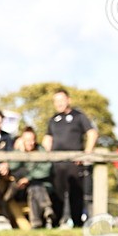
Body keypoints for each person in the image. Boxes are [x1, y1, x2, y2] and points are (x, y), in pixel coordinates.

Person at [42, 87, 97, 227]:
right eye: (56, 101)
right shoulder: (53, 119)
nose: (59, 103)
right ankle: (55, 224)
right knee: (57, 194)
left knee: (76, 194)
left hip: (75, 162)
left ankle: (78, 224)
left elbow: (92, 133)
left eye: (61, 100)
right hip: (57, 163)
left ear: (68, 100)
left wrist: (86, 154)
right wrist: (46, 152)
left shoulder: (79, 116)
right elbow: (48, 138)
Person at [7, 127, 56, 229]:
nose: (31, 143)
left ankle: (36, 223)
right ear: (22, 140)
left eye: (32, 140)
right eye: (27, 140)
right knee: (34, 187)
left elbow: (45, 170)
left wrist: (28, 178)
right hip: (20, 188)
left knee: (34, 187)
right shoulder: (18, 152)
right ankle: (47, 208)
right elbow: (12, 166)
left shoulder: (41, 151)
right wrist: (20, 152)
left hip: (41, 186)